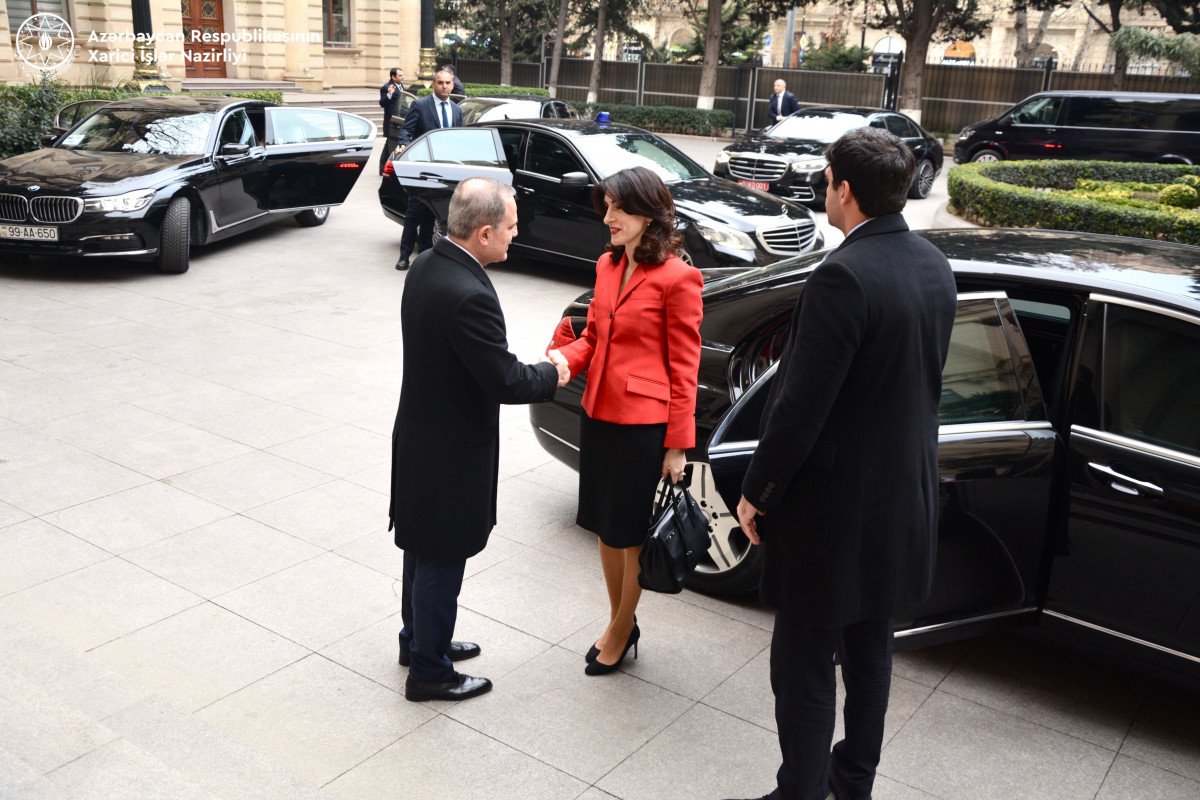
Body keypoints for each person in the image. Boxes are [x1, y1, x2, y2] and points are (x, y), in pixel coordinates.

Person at [726, 127, 956, 800]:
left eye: (826, 180)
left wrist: (758, 492)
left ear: (845, 191)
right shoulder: (933, 264)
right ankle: (852, 782)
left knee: (801, 662)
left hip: (831, 517)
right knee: (870, 653)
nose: (823, 191)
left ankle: (798, 789)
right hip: (901, 501)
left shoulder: (841, 276)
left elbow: (799, 408)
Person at [390, 177, 570, 702]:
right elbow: (506, 381)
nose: (517, 235)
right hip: (450, 451)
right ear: (485, 232)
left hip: (420, 436)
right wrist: (553, 372)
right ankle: (429, 670)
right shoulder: (468, 293)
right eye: (512, 227)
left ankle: (419, 639)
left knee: (420, 548)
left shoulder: (429, 263)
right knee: (443, 555)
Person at [547, 166, 703, 677]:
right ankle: (622, 620)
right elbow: (593, 335)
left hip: (643, 424)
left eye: (618, 207)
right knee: (604, 526)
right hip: (598, 412)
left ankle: (619, 628)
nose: (608, 217)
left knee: (630, 533)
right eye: (605, 206)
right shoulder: (606, 266)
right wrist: (565, 359)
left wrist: (677, 444)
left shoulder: (679, 278)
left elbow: (685, 365)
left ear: (647, 212)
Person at [394, 69, 463, 271]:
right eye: (440, 82)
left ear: (453, 84)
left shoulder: (456, 110)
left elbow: (458, 137)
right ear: (433, 84)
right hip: (423, 169)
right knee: (414, 212)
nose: (444, 86)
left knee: (433, 214)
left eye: (448, 83)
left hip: (445, 170)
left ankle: (424, 255)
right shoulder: (420, 105)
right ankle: (404, 255)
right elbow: (407, 129)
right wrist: (403, 144)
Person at [378, 66, 405, 175]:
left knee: (388, 144)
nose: (402, 77)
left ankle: (382, 168)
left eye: (402, 75)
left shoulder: (401, 85)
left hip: (399, 120)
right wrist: (389, 94)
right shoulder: (386, 87)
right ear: (393, 77)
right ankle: (388, 169)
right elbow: (382, 103)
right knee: (391, 145)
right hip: (391, 121)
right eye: (400, 76)